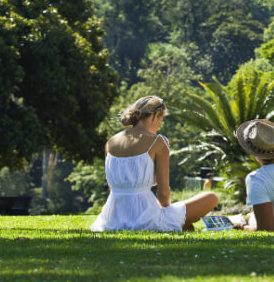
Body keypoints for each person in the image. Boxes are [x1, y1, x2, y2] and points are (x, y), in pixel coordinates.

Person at [90, 96, 218, 231]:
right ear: (155, 115)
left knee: (187, 224)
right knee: (211, 197)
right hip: (147, 219)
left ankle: (183, 225)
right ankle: (180, 225)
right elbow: (163, 195)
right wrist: (167, 211)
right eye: (161, 119)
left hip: (112, 219)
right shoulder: (158, 142)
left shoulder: (110, 143)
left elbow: (112, 189)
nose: (160, 123)